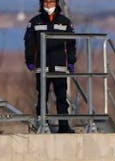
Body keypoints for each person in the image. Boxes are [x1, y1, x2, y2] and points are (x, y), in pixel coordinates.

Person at [23, 0, 76, 133]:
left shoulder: (65, 22)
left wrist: (71, 61)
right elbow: (29, 43)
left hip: (59, 67)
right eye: (46, 2)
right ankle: (42, 125)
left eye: (51, 2)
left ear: (56, 3)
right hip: (42, 67)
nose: (48, 6)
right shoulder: (35, 22)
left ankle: (64, 127)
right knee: (42, 98)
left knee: (62, 98)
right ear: (41, 4)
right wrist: (29, 60)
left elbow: (71, 43)